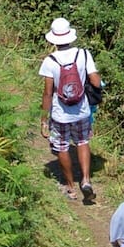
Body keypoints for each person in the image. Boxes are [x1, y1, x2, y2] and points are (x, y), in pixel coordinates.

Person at [39, 17, 102, 201]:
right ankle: (86, 180)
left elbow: (48, 93)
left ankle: (70, 187)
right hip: (82, 110)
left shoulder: (50, 61)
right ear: (70, 36)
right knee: (82, 142)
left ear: (53, 39)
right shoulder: (83, 54)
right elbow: (96, 81)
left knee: (62, 147)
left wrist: (44, 119)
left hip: (60, 114)